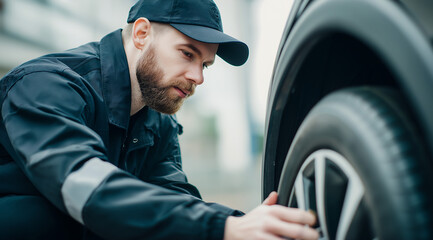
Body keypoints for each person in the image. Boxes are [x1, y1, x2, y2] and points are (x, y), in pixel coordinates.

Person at [0, 0, 319, 239]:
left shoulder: (157, 120)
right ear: (141, 34)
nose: (197, 77)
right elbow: (84, 186)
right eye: (187, 53)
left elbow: (174, 201)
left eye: (205, 65)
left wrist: (251, 225)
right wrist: (225, 228)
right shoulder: (45, 86)